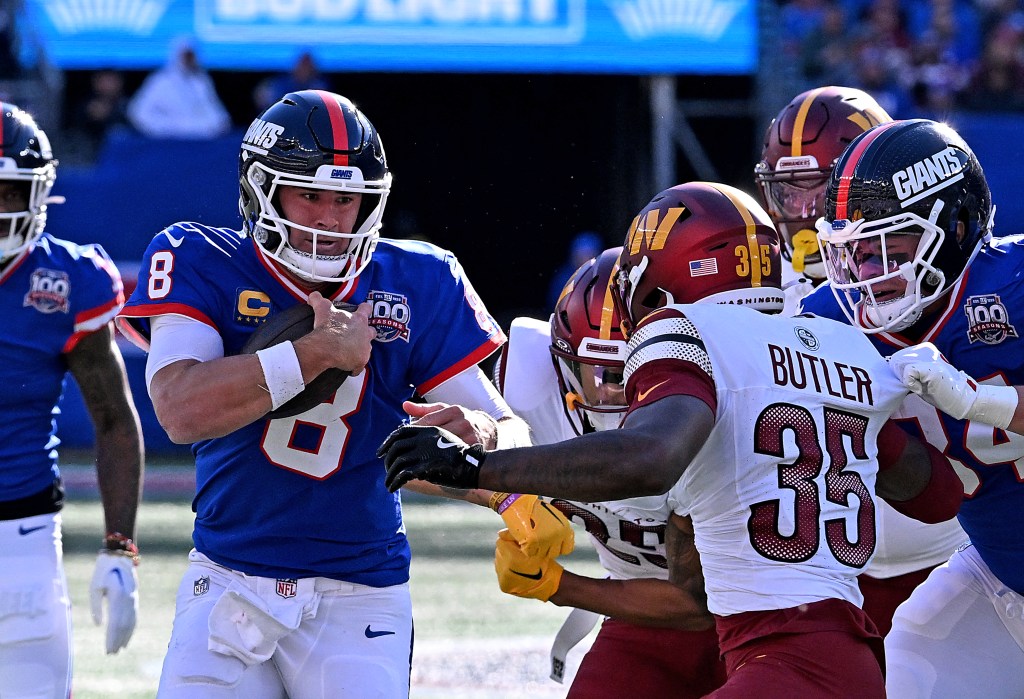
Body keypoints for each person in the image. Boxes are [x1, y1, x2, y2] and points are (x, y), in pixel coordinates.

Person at [380, 181, 964, 698]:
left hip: (787, 655)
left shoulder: (687, 332)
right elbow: (936, 495)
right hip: (833, 653)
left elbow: (651, 458)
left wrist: (481, 470)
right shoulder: (839, 344)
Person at [115, 89, 529, 699]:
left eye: (347, 199)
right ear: (261, 190)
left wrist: (481, 435)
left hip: (359, 592)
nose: (331, 220)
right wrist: (312, 354)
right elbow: (180, 410)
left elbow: (509, 428)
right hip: (229, 579)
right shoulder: (201, 256)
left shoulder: (418, 277)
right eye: (309, 194)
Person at [802, 117, 1024, 697]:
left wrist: (976, 400)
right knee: (921, 652)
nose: (870, 276)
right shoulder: (832, 320)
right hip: (1006, 579)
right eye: (856, 256)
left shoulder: (1016, 283)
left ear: (954, 228)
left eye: (890, 248)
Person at [755, 85, 968, 637]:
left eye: (819, 186)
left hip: (959, 545)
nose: (802, 212)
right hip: (826, 564)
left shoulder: (939, 269)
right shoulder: (758, 285)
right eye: (786, 190)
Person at [493, 246, 725, 697]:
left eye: (651, 371)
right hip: (641, 612)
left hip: (751, 615)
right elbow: (425, 456)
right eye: (609, 372)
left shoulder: (718, 414)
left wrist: (559, 585)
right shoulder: (525, 388)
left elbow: (696, 604)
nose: (629, 391)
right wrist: (503, 494)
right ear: (564, 367)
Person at [0, 102, 143, 697]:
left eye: (7, 190)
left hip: (21, 533)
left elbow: (113, 419)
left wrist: (119, 546)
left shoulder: (67, 279)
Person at [126, 37, 231, 139]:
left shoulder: (200, 82)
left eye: (191, 56)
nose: (189, 60)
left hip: (198, 143)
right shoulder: (159, 81)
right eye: (186, 56)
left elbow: (218, 117)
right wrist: (167, 128)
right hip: (165, 142)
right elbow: (138, 113)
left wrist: (196, 127)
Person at [253, 51, 330, 112]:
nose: (305, 69)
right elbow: (263, 101)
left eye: (308, 66)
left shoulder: (320, 87)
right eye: (303, 65)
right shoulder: (278, 84)